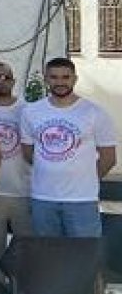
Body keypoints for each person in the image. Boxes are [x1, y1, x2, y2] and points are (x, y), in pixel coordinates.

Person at [21, 57, 117, 237]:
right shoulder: (31, 112)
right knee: (48, 255)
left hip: (82, 200)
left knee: (85, 256)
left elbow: (109, 157)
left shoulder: (94, 113)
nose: (60, 82)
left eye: (66, 77)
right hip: (43, 199)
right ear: (46, 79)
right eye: (54, 77)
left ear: (74, 79)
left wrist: (87, 178)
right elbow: (28, 152)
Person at [0, 62, 32, 261]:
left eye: (6, 77)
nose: (0, 82)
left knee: (26, 252)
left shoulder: (29, 110)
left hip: (25, 191)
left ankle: (23, 291)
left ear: (14, 81)